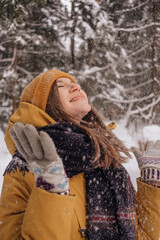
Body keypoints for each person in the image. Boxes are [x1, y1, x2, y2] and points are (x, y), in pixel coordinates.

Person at [0, 69, 160, 240]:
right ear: (42, 105)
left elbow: (140, 236)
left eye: (76, 84)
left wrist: (153, 184)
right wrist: (51, 192)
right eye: (61, 86)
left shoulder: (105, 161)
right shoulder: (26, 168)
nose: (76, 86)